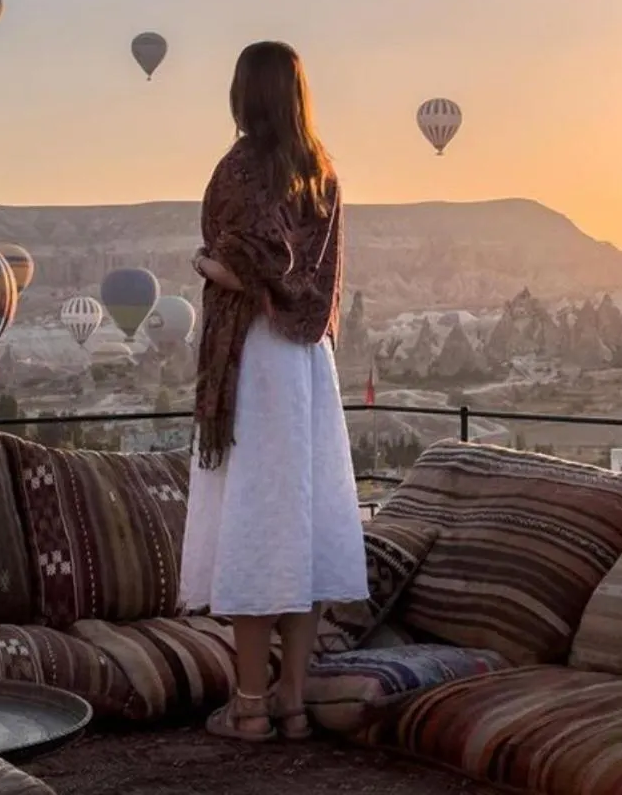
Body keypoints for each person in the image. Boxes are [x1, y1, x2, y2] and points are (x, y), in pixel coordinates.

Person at [180, 40, 368, 742]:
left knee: (258, 522)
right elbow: (302, 276)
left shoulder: (241, 166)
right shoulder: (321, 172)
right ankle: (291, 698)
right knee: (302, 522)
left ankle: (250, 705)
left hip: (255, 359)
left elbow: (249, 269)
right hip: (308, 363)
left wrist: (204, 263)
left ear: (245, 93)